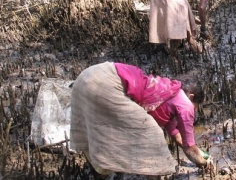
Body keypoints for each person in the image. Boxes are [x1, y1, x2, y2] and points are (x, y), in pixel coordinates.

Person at [70, 62, 211, 179]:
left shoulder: (168, 94)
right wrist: (205, 163)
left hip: (87, 77)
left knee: (98, 130)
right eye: (196, 106)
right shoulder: (185, 104)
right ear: (191, 96)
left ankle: (99, 170)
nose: (193, 110)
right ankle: (152, 176)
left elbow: (178, 137)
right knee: (152, 133)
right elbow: (189, 147)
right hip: (105, 82)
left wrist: (197, 151)